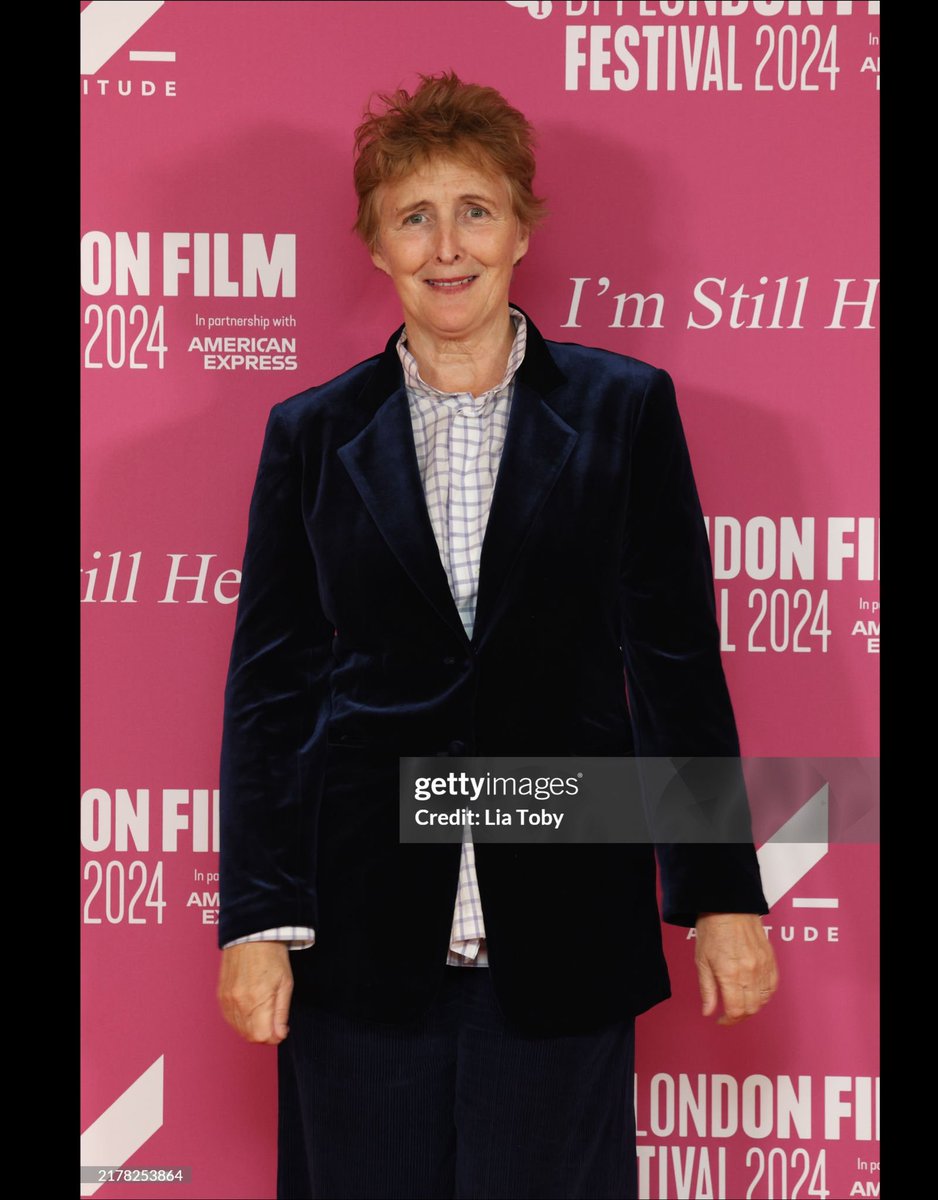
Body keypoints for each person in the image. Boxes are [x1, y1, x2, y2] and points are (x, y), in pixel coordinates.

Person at [217, 71, 778, 1200]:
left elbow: (672, 664)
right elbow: (272, 693)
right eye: (411, 216)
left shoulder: (627, 409)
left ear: (521, 225)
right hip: (361, 934)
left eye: (473, 208)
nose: (445, 244)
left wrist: (722, 896)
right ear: (374, 248)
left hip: (564, 934)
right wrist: (257, 920)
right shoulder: (311, 436)